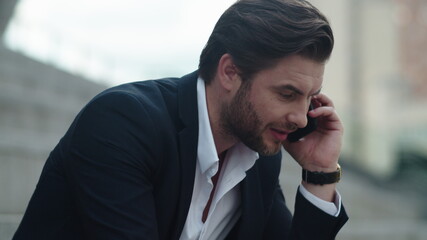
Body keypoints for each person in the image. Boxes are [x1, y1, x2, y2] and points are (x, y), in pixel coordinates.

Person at [13, 0, 348, 239]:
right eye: (287, 94)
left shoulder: (257, 157)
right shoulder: (123, 123)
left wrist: (320, 172)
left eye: (310, 97)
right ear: (230, 72)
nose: (300, 116)